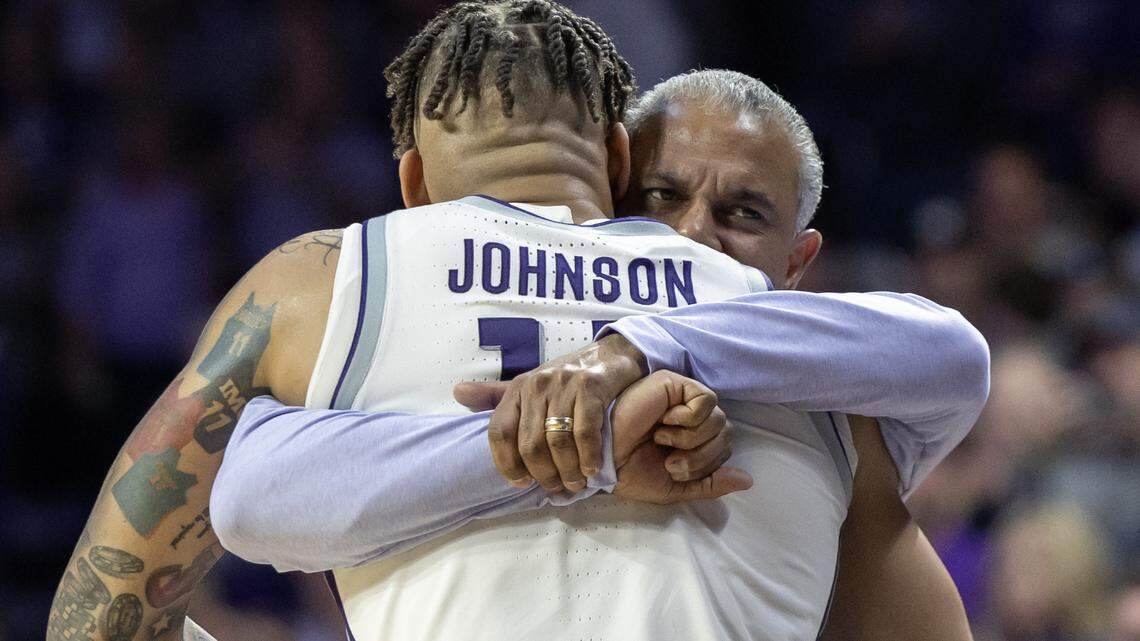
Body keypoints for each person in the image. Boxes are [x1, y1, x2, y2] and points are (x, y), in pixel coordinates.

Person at [47, 3, 981, 641]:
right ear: (614, 161)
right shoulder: (767, 321)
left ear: (413, 184)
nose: (696, 223)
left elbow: (105, 606)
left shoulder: (321, 279)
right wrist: (584, 442)